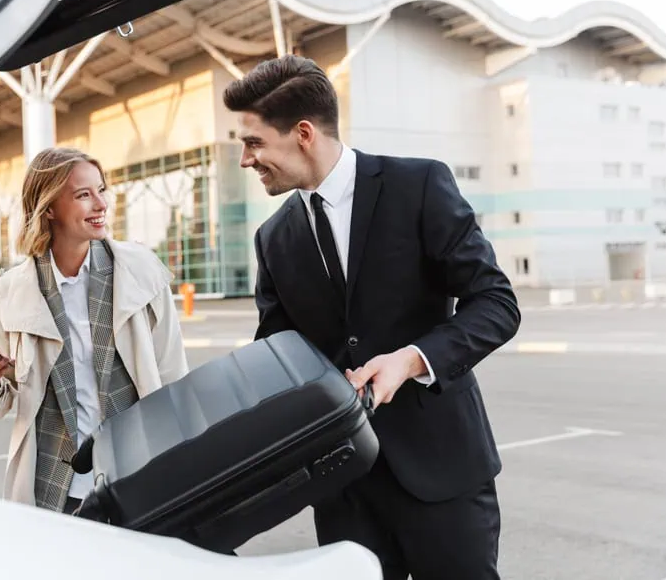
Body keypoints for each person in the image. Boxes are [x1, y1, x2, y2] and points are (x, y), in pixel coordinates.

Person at [223, 55, 521, 579]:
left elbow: (496, 302)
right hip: (345, 490)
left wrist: (411, 360)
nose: (246, 160)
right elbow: (278, 353)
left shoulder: (419, 185)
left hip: (441, 475)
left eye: (253, 143)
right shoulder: (272, 238)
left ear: (304, 133)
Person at [0, 146, 189, 514]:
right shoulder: (10, 291)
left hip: (139, 472)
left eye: (102, 190)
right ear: (49, 208)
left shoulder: (141, 272)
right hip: (51, 485)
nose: (101, 204)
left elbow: (174, 375)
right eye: (84, 195)